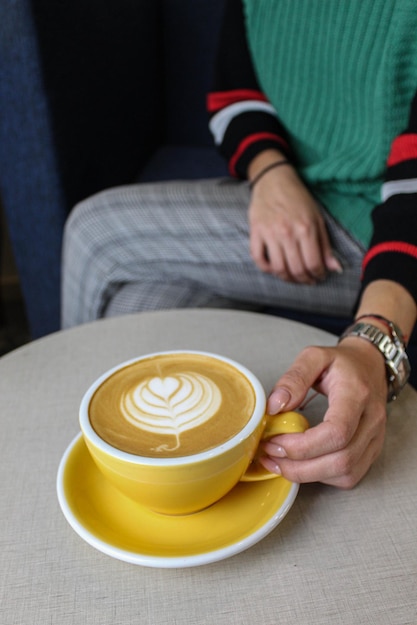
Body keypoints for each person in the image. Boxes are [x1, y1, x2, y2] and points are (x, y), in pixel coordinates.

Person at [61, 0, 417, 489]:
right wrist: (271, 173)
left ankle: (73, 454)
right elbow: (235, 92)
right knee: (142, 306)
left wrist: (374, 341)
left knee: (96, 232)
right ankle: (153, 480)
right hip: (288, 183)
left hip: (375, 222)